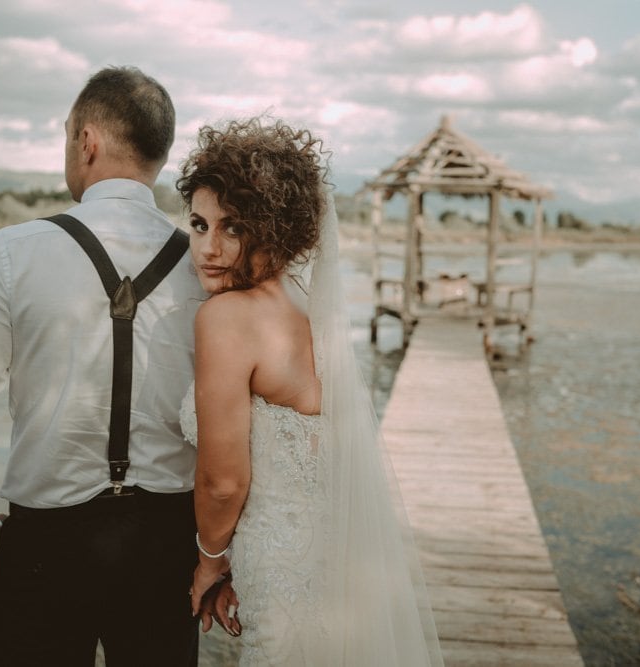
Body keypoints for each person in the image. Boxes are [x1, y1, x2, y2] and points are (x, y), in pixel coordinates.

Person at [0, 66, 206, 666]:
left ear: (87, 141)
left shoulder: (11, 253)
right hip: (168, 546)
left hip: (41, 548)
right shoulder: (205, 266)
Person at [177, 118, 444, 665]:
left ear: (276, 229)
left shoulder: (227, 317)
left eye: (232, 228)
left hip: (281, 571)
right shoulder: (306, 310)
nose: (208, 246)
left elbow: (224, 480)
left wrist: (211, 561)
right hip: (332, 559)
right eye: (200, 225)